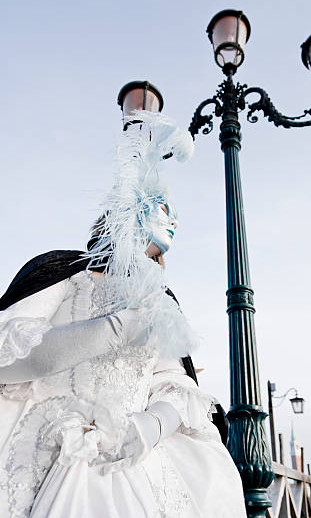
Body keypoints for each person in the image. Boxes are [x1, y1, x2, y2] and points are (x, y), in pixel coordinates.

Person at [0, 112, 246, 517]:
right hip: (50, 444)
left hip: (134, 456)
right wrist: (114, 328)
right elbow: (10, 357)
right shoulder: (64, 275)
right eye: (161, 211)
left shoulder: (160, 301)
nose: (173, 223)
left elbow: (174, 384)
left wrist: (151, 428)